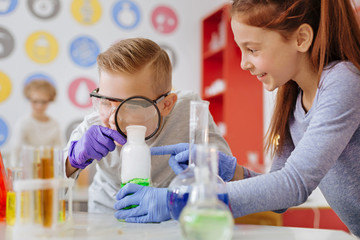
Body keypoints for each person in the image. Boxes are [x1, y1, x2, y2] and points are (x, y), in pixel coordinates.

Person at [115, 0, 360, 237]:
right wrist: (231, 170)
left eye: (252, 49)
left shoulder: (342, 80)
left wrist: (180, 200)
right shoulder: (293, 96)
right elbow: (279, 196)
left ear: (301, 38)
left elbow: (293, 185)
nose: (243, 63)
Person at [64, 38, 240, 217]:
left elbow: (230, 179)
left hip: (169, 220)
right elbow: (51, 185)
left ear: (166, 105)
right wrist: (73, 159)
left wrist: (181, 195)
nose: (111, 119)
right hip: (106, 218)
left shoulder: (189, 111)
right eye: (104, 102)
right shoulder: (93, 126)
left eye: (131, 105)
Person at [11, 79, 62, 167]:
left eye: (43, 102)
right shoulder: (23, 123)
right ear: (29, 99)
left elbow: (60, 153)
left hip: (48, 171)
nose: (39, 106)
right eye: (35, 101)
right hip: (27, 171)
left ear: (50, 100)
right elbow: (15, 152)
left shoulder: (55, 124)